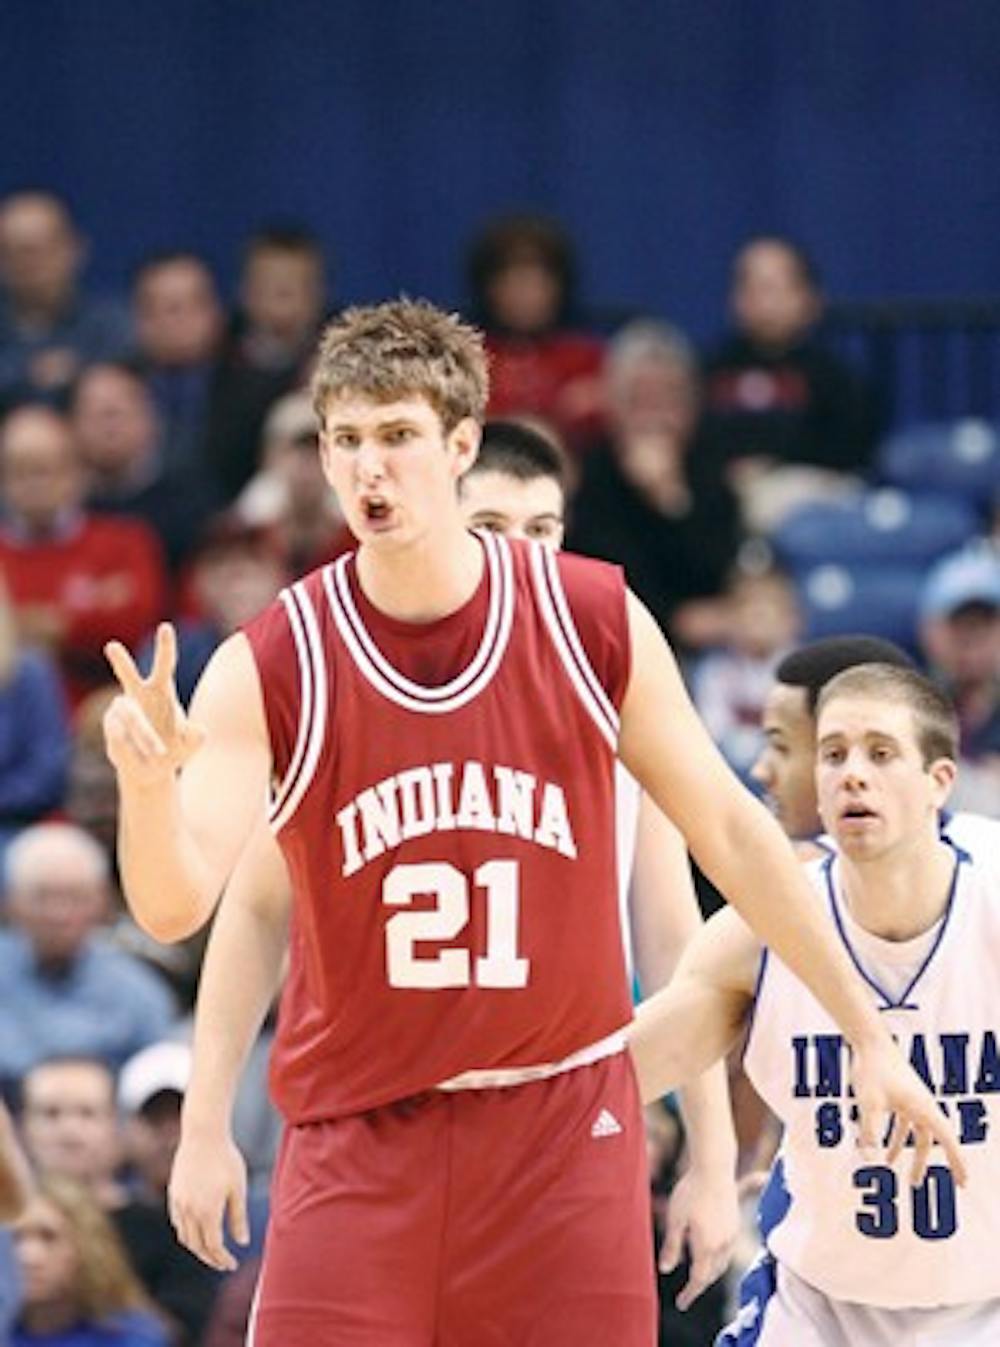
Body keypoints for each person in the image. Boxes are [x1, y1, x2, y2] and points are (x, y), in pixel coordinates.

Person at [102, 299, 961, 1347]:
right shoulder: (274, 659)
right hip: (357, 1142)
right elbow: (178, 905)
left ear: (460, 446)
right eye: (347, 443)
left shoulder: (591, 619)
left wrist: (866, 1034)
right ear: (322, 458)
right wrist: (148, 797)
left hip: (561, 1136)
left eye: (399, 438)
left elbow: (732, 839)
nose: (371, 470)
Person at [631, 663, 1000, 1344]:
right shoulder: (757, 932)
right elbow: (611, 1081)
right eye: (832, 754)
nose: (852, 773)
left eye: (880, 753)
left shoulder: (989, 902)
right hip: (816, 1310)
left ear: (939, 783)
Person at [462, 418, 739, 1320]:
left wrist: (710, 1154)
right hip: (413, 1102)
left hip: (574, 1108)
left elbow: (671, 937)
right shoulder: (359, 672)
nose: (524, 555)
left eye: (543, 531)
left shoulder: (610, 681)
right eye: (491, 529)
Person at [701, 235, 879, 533]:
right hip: (727, 491)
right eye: (749, 286)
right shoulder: (709, 371)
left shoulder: (836, 379)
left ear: (809, 298)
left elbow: (851, 452)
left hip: (807, 492)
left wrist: (775, 467)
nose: (761, 300)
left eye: (773, 288)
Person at [0, 191, 131, 411]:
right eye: (14, 252)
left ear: (75, 249)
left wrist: (80, 371)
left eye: (39, 250)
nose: (29, 264)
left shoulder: (113, 328)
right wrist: (28, 373)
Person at [10, 1176, 169, 1347]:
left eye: (49, 1237)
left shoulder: (131, 1337)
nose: (28, 1257)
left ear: (88, 1246)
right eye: (14, 1238)